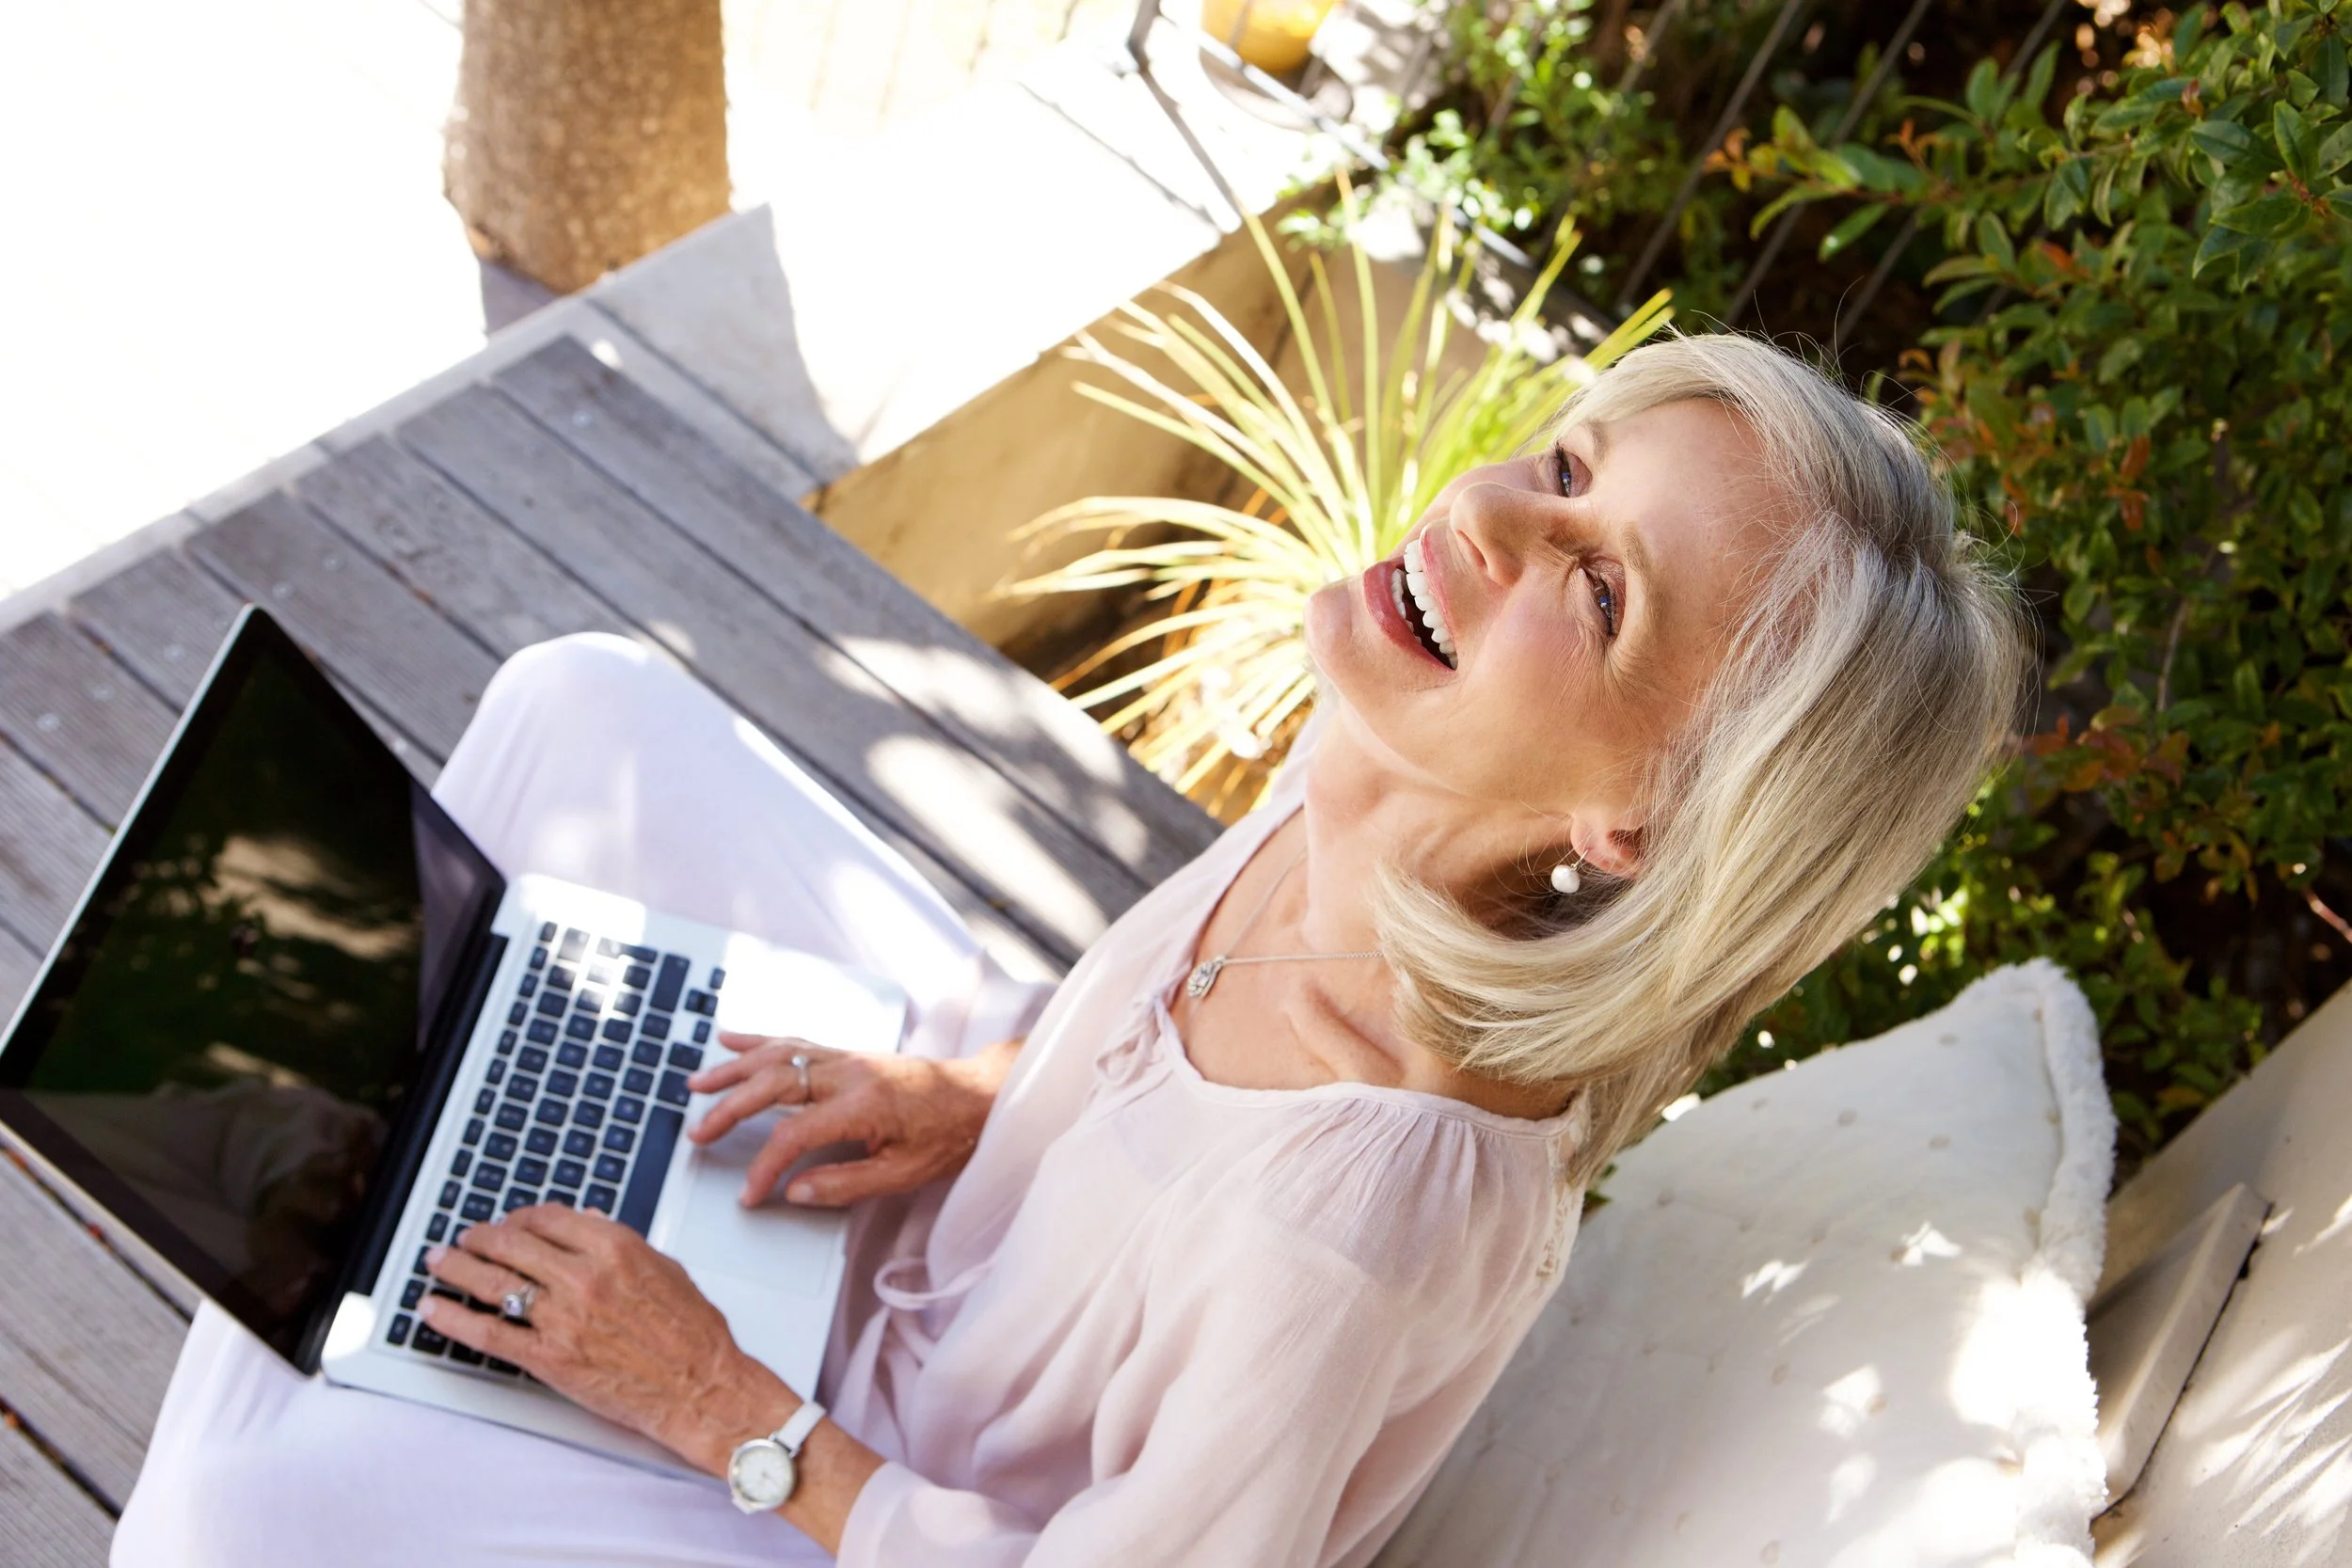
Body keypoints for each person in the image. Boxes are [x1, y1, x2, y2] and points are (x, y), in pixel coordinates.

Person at [115, 332, 2024, 1566]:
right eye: (1564, 459)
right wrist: (957, 1098)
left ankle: (385, 1267)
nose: (1490, 515)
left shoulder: (1352, 1215)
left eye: (1596, 588)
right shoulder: (1386, 759)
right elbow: (1146, 1070)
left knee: (238, 1506)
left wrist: (712, 1398)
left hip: (884, 1500)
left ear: (1641, 831)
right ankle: (438, 1201)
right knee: (585, 702)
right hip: (925, 1265)